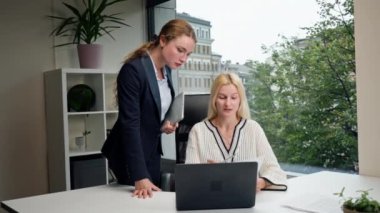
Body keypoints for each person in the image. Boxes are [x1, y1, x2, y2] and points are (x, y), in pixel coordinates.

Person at [101, 19, 196, 199]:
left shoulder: (166, 70)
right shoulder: (133, 70)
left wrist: (163, 125)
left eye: (188, 54)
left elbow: (151, 111)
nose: (184, 59)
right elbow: (129, 124)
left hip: (151, 150)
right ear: (162, 41)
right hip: (129, 155)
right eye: (180, 50)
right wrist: (139, 175)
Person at [185, 72, 287, 191]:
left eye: (233, 97)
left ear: (240, 100)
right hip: (212, 201)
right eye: (222, 97)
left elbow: (276, 172)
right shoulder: (198, 131)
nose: (228, 103)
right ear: (214, 100)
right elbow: (189, 179)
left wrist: (262, 182)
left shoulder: (253, 129)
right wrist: (209, 174)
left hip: (248, 202)